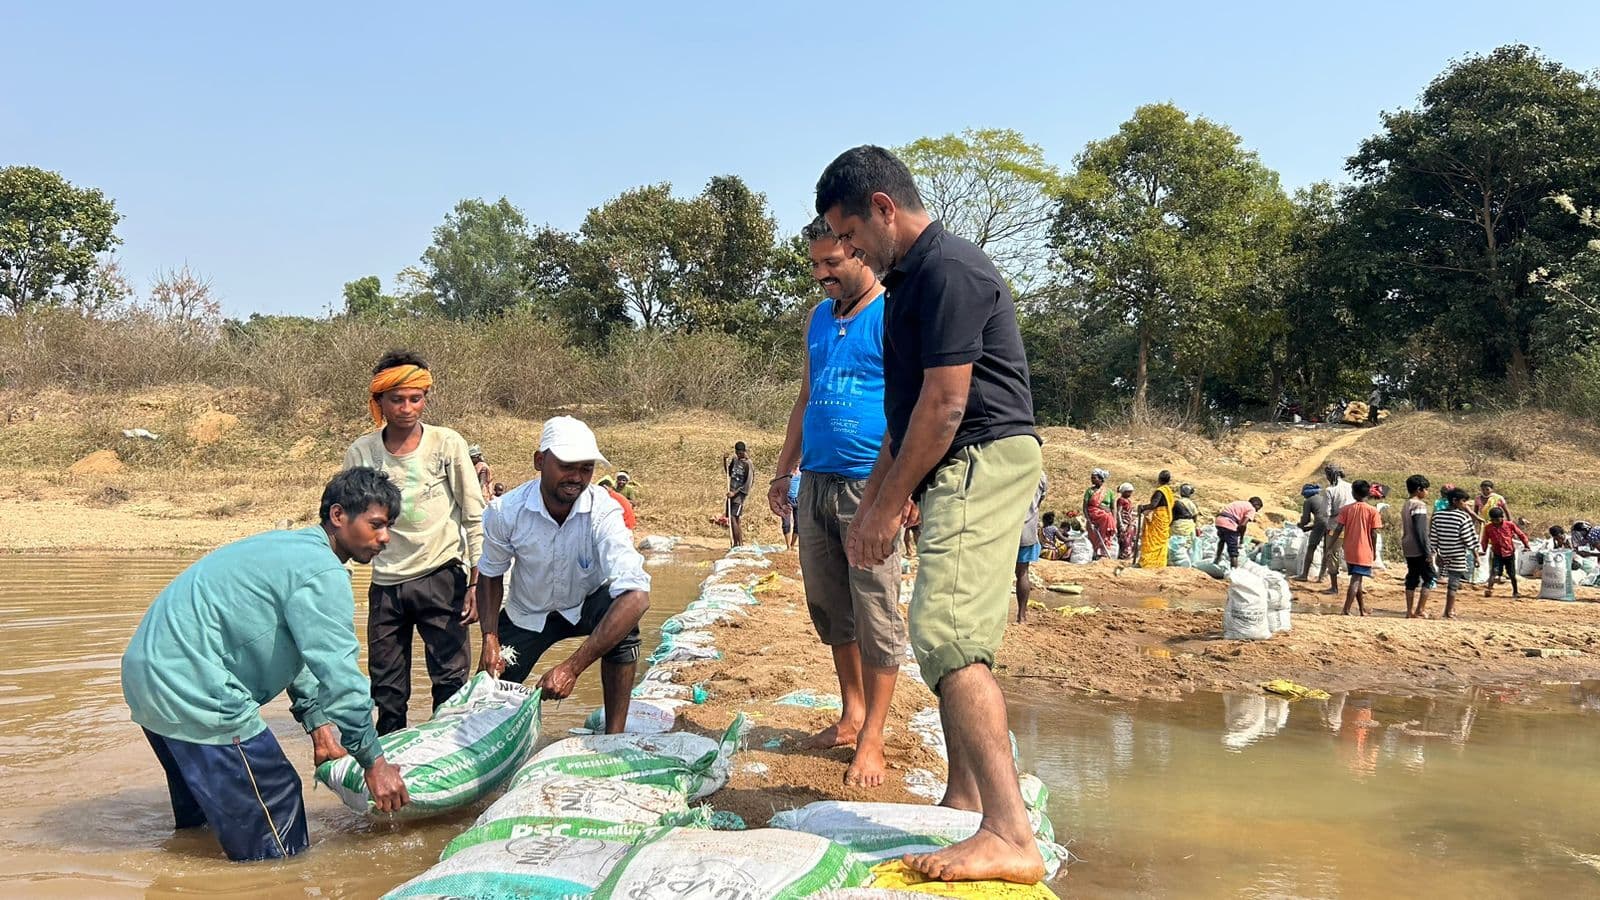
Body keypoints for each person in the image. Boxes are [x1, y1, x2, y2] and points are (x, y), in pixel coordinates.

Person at [817, 145, 1045, 883]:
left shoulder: (949, 270)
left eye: (849, 236)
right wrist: (871, 509)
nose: (845, 251)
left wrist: (886, 510)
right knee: (957, 634)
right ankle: (967, 796)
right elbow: (902, 419)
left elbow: (947, 406)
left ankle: (1009, 835)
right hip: (958, 457)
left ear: (884, 209)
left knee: (945, 631)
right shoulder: (907, 286)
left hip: (984, 453)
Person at [121, 468, 410, 861]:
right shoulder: (323, 571)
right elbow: (341, 678)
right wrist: (374, 763)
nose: (385, 538)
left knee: (202, 826)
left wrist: (318, 725)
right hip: (195, 688)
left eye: (389, 526)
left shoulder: (289, 549)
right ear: (339, 515)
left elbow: (303, 650)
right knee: (275, 807)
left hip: (148, 682)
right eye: (375, 524)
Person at [767, 212, 906, 787]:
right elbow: (806, 397)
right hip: (817, 482)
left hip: (867, 486)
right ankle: (851, 713)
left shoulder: (891, 314)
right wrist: (783, 471)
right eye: (815, 265)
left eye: (832, 263)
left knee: (875, 609)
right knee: (829, 607)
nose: (822, 275)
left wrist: (902, 492)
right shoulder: (819, 320)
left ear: (861, 254)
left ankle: (873, 736)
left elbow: (910, 407)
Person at [476, 416, 650, 733]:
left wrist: (572, 668)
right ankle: (486, 739)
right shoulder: (506, 512)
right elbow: (490, 575)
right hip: (527, 612)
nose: (576, 477)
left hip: (586, 605)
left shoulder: (604, 510)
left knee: (626, 625)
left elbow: (637, 595)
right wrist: (489, 636)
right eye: (567, 466)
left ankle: (614, 734)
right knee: (489, 688)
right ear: (540, 461)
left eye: (586, 469)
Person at [344, 350, 484, 735]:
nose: (407, 408)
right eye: (397, 399)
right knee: (387, 690)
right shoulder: (362, 453)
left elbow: (474, 516)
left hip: (442, 577)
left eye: (415, 399)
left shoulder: (446, 444)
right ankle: (388, 765)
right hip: (387, 583)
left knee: (450, 684)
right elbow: (348, 524)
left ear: (425, 399)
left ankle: (449, 756)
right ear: (379, 403)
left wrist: (476, 584)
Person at [1330, 480, 1380, 616]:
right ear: (1368, 493)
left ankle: (1362, 609)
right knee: (1356, 580)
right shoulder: (1372, 511)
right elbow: (1374, 534)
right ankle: (1346, 609)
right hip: (1364, 550)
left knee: (1358, 580)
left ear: (1353, 493)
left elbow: (1338, 529)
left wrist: (1330, 545)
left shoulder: (1346, 509)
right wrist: (1374, 551)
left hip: (1349, 549)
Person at [1430, 487, 1479, 619]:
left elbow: (1433, 537)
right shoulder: (1463, 517)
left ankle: (1449, 609)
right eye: (1463, 501)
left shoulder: (1437, 515)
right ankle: (1449, 611)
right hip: (1457, 555)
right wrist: (1476, 556)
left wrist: (1434, 554)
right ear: (1455, 501)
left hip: (1443, 554)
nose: (1465, 504)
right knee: (1454, 583)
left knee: (1448, 582)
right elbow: (1469, 539)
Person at [1399, 474, 1436, 618]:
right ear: (1419, 489)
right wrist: (1427, 552)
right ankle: (1420, 609)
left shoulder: (1406, 504)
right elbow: (1421, 531)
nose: (1427, 492)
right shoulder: (1419, 505)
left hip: (1408, 545)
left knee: (1412, 577)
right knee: (1429, 577)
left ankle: (1409, 611)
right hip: (1418, 546)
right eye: (1426, 489)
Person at [1016, 474, 1048, 624]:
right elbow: (1040, 501)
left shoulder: (1009, 465)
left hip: (1005, 529)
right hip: (1027, 531)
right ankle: (1022, 616)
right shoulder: (1040, 475)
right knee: (1022, 573)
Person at [1481, 507, 1532, 599]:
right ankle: (1489, 589)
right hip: (1497, 553)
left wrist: (1526, 545)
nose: (1495, 522)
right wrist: (1483, 550)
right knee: (1494, 571)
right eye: (1493, 520)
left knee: (1512, 574)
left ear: (1502, 517)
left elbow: (1521, 534)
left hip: (1509, 553)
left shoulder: (1509, 525)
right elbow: (1484, 540)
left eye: (1497, 520)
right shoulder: (1488, 527)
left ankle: (1515, 591)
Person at [1320, 464, 1354, 596]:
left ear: (1329, 476)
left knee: (1332, 554)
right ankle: (1357, 584)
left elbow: (1326, 512)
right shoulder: (1351, 487)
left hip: (1335, 527)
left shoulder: (1330, 490)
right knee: (1351, 555)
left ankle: (1334, 587)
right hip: (1351, 526)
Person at [1136, 471, 1175, 569]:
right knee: (1160, 541)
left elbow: (1153, 505)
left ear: (1159, 479)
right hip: (1165, 518)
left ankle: (1148, 563)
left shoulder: (1160, 491)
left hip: (1158, 518)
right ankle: (1159, 563)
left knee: (1153, 540)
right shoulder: (1169, 492)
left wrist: (1142, 507)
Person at [1212, 497, 1264, 568]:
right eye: (1258, 508)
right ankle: (1234, 571)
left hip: (1219, 521)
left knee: (1222, 540)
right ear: (1256, 504)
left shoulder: (1239, 503)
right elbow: (1243, 525)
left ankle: (1216, 561)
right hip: (1229, 523)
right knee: (1233, 551)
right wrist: (1241, 538)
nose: (1257, 511)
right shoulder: (1251, 508)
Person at [1296, 483, 1331, 583]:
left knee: (1311, 547)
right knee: (1326, 549)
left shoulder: (1308, 501)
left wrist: (1301, 525)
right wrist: (1311, 527)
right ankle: (1322, 576)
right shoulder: (1323, 498)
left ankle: (1304, 575)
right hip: (1332, 523)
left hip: (1320, 523)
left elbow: (1306, 519)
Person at [724, 441, 754, 547]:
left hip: (739, 496)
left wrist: (734, 493)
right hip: (730, 493)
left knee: (733, 517)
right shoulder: (735, 460)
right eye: (736, 453)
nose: (738, 455)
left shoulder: (748, 464)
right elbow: (728, 472)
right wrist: (724, 460)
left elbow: (748, 484)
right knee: (734, 519)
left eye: (740, 453)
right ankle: (738, 543)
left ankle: (737, 544)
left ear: (744, 451)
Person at [1082, 469, 1117, 559]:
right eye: (1091, 478)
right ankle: (1094, 553)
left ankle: (1102, 553)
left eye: (1094, 478)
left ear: (1101, 479)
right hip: (1093, 515)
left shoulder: (1109, 492)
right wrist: (1089, 520)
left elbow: (1113, 508)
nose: (1092, 480)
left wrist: (1114, 520)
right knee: (1094, 534)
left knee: (1107, 519)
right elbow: (1085, 507)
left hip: (1106, 518)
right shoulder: (1089, 491)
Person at [1115, 483, 1138, 562]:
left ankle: (1127, 554)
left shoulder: (1128, 501)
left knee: (1129, 539)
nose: (1130, 494)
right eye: (1128, 492)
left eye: (1131, 492)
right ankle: (1123, 555)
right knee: (1124, 538)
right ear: (1124, 492)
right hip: (1124, 522)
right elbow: (1119, 512)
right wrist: (1120, 524)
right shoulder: (1121, 500)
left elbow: (1130, 512)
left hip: (1129, 522)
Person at [781, 467, 802, 551]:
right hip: (787, 499)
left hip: (798, 500)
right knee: (786, 523)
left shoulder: (802, 472)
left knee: (798, 524)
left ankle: (792, 545)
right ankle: (788, 546)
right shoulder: (786, 471)